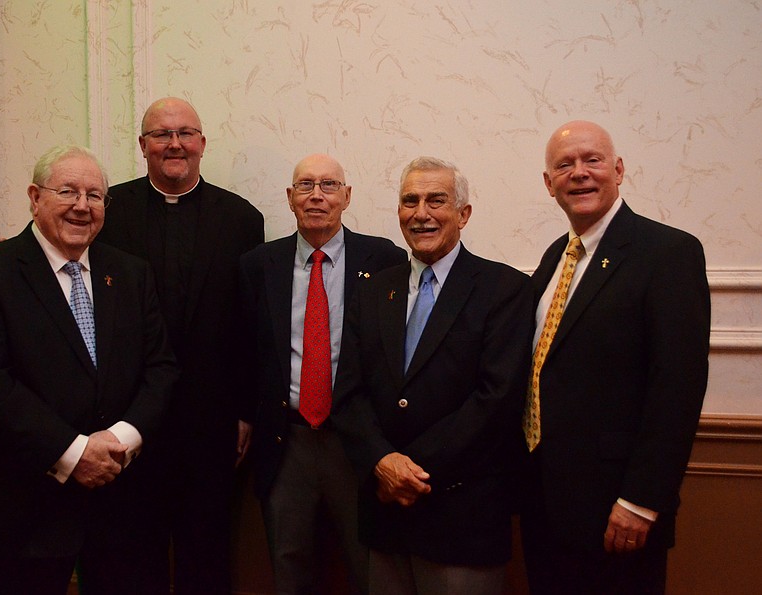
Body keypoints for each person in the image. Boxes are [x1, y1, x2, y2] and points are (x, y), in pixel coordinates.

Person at [0, 145, 178, 595]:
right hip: (26, 509)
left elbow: (161, 368)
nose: (82, 205)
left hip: (120, 503)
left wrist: (119, 441)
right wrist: (74, 453)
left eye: (95, 196)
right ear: (35, 197)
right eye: (68, 191)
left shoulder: (131, 273)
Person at [520, 120, 710, 594]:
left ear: (619, 170)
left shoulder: (668, 252)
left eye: (593, 160)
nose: (579, 173)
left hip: (617, 510)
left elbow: (678, 386)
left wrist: (642, 500)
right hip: (544, 503)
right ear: (549, 184)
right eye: (565, 165)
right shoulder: (553, 259)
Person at [330, 156, 533, 595]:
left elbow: (495, 400)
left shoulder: (505, 289)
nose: (421, 213)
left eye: (435, 200)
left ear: (463, 214)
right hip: (385, 516)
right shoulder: (372, 290)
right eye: (409, 201)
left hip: (462, 516)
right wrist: (381, 463)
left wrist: (410, 471)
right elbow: (348, 392)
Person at [95, 97, 264, 593]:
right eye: (162, 134)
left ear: (203, 144)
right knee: (131, 555)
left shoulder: (242, 218)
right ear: (142, 145)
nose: (175, 144)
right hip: (125, 419)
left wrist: (245, 411)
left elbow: (248, 325)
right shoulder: (109, 210)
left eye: (186, 133)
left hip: (210, 423)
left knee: (206, 555)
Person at [239, 154, 406, 593]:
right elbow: (243, 350)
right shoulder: (259, 265)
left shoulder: (385, 259)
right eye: (306, 185)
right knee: (288, 563)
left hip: (357, 439)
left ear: (346, 197)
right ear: (290, 198)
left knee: (367, 563)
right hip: (286, 438)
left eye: (329, 185)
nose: (317, 195)